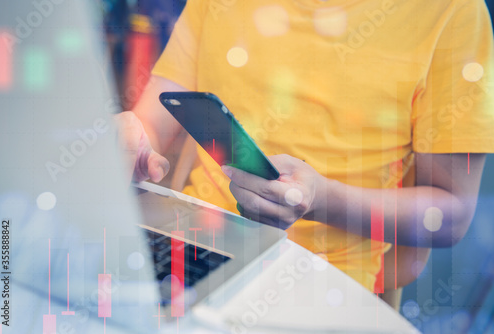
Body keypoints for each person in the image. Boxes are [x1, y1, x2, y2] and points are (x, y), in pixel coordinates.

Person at [116, 0, 494, 293]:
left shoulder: (453, 13)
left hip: (327, 278)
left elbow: (452, 214)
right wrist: (133, 139)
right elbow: (156, 114)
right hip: (196, 244)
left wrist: (320, 199)